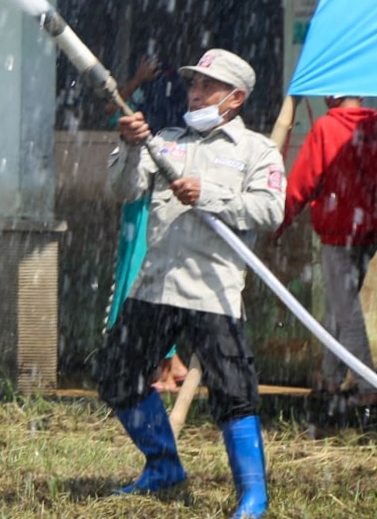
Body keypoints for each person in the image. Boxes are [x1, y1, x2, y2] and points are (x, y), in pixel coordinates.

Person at [98, 48, 284, 516]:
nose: (195, 93)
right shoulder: (165, 141)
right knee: (115, 376)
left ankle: (252, 495)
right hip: (155, 286)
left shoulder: (256, 150)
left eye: (208, 87)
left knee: (234, 394)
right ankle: (163, 466)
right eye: (193, 85)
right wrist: (130, 147)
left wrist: (212, 195)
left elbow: (271, 210)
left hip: (214, 292)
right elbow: (121, 191)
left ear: (235, 98)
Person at [271, 96, 377, 409]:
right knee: (340, 304)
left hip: (339, 234)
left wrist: (276, 222)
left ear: (331, 95)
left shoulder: (326, 129)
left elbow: (302, 184)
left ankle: (367, 387)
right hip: (370, 235)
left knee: (347, 311)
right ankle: (330, 374)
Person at [104, 52, 190, 392]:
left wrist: (138, 82)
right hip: (149, 199)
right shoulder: (149, 111)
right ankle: (170, 363)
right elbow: (115, 111)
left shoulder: (168, 127)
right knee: (152, 275)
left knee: (141, 276)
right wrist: (138, 81)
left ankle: (162, 365)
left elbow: (112, 110)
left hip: (147, 205)